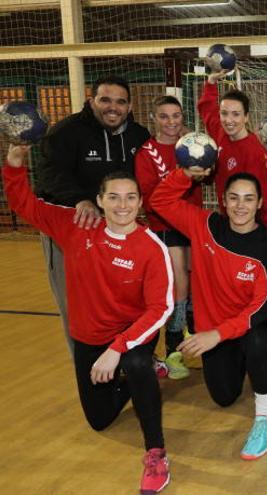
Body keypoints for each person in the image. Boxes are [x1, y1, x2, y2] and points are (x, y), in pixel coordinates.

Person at [4, 144, 172, 493]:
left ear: (140, 203)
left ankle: (156, 453)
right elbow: (25, 205)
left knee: (136, 364)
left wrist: (119, 349)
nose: (122, 205)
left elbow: (161, 308)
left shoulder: (151, 247)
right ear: (99, 200)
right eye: (113, 197)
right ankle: (143, 373)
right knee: (99, 420)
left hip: (131, 334)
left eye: (130, 198)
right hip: (89, 336)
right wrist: (15, 162)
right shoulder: (75, 227)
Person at [150, 167, 267, 461]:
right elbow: (159, 201)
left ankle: (265, 418)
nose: (240, 206)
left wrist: (217, 334)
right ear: (223, 200)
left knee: (259, 341)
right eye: (234, 198)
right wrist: (186, 173)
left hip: (247, 326)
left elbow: (261, 307)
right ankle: (246, 361)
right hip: (215, 332)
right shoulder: (205, 224)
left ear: (260, 203)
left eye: (248, 199)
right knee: (224, 397)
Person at [33, 75, 151, 355]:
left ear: (129, 105)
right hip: (71, 231)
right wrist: (80, 200)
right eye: (105, 100)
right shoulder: (66, 132)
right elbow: (48, 176)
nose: (113, 107)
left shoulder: (139, 136)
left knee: (123, 298)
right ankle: (87, 367)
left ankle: (124, 360)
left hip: (118, 233)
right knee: (76, 303)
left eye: (120, 102)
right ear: (92, 101)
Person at [135, 95, 202, 379]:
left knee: (197, 281)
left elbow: (207, 175)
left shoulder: (190, 144)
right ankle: (174, 350)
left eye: (176, 116)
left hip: (193, 221)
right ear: (154, 119)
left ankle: (199, 340)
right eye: (164, 116)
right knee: (179, 284)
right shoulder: (146, 153)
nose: (171, 122)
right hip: (164, 224)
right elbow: (149, 198)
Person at [197, 69, 267, 230]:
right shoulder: (220, 132)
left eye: (236, 114)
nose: (229, 120)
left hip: (258, 222)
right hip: (229, 218)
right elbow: (207, 110)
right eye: (224, 113)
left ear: (246, 117)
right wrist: (211, 82)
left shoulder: (256, 148)